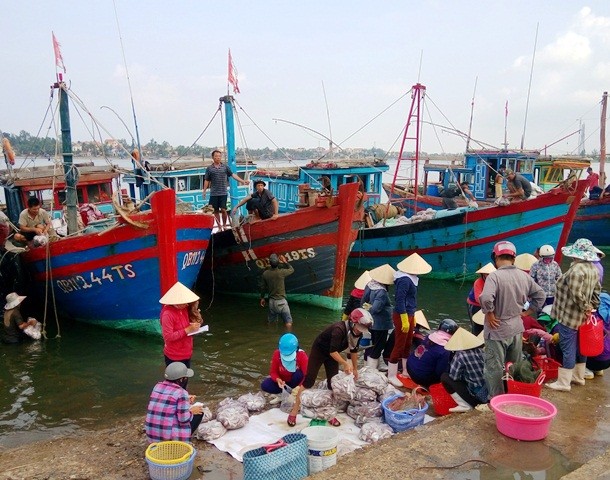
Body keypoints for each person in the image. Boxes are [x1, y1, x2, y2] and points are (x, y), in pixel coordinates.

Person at [479, 240, 545, 399]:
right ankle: (514, 394)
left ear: (495, 257)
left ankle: (497, 399)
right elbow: (540, 295)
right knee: (514, 366)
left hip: (497, 330)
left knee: (494, 368)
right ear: (513, 259)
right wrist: (527, 312)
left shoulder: (494, 276)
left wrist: (489, 313)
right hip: (516, 328)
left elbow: (487, 297)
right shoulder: (524, 276)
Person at [287, 307, 373, 427]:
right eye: (359, 328)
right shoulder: (339, 329)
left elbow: (353, 350)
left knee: (333, 384)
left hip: (333, 353)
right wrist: (344, 363)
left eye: (363, 329)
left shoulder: (357, 334)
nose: (360, 331)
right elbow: (333, 352)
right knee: (309, 381)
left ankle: (330, 414)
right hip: (320, 350)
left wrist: (355, 368)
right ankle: (294, 411)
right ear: (353, 322)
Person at [547, 238, 601, 392]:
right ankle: (578, 377)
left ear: (576, 254)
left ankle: (564, 382)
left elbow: (576, 294)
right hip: (583, 317)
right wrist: (592, 307)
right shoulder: (593, 269)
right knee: (580, 346)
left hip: (570, 315)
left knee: (567, 347)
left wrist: (585, 307)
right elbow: (596, 292)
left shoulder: (577, 270)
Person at [388, 252, 432, 388]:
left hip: (410, 313)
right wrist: (404, 318)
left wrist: (411, 318)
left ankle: (405, 370)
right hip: (403, 314)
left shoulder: (412, 278)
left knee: (407, 343)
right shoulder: (404, 280)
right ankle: (391, 375)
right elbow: (399, 300)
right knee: (399, 344)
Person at [145, 362, 204, 443]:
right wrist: (191, 411)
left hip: (152, 438)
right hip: (169, 441)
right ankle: (183, 441)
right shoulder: (181, 393)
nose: (186, 379)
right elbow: (183, 420)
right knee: (199, 413)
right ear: (180, 379)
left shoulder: (157, 387)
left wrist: (185, 399)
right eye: (185, 377)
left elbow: (167, 403)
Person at [159, 282, 201, 379]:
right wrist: (187, 330)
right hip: (175, 355)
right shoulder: (168, 314)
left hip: (186, 352)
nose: (187, 304)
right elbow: (168, 337)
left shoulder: (184, 309)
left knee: (184, 379)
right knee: (176, 381)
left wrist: (193, 326)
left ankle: (183, 393)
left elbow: (184, 326)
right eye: (184, 302)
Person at [441, 328, 487, 412]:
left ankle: (465, 405)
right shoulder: (481, 351)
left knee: (445, 377)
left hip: (478, 396)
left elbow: (454, 377)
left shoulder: (460, 355)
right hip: (489, 391)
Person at [201, 149, 249, 231]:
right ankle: (219, 227)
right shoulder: (209, 168)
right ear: (213, 157)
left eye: (219, 156)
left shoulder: (225, 167)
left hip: (223, 192)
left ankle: (224, 225)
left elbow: (233, 175)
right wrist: (204, 190)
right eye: (216, 156)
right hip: (214, 193)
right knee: (215, 211)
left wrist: (242, 181)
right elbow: (206, 180)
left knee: (223, 209)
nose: (218, 158)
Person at [361, 264, 395, 371]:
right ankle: (371, 370)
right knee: (378, 346)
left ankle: (366, 367)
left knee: (370, 345)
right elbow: (376, 308)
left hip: (371, 322)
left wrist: (367, 310)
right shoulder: (382, 292)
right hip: (380, 324)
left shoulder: (370, 285)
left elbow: (363, 302)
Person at [406, 318, 458, 388]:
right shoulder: (445, 350)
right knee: (446, 374)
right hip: (420, 377)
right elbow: (440, 372)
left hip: (409, 366)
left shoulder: (429, 337)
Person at [260, 333, 308, 400]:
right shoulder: (277, 354)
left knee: (298, 374)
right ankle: (283, 395)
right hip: (284, 383)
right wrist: (278, 380)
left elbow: (308, 376)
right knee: (265, 385)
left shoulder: (302, 355)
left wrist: (299, 387)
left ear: (296, 349)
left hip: (295, 381)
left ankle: (295, 394)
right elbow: (273, 372)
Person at [260, 254, 295, 329]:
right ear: (278, 263)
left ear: (270, 263)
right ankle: (288, 336)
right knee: (288, 322)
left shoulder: (265, 274)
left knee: (271, 323)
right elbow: (291, 269)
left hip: (272, 302)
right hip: (281, 302)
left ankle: (270, 336)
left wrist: (262, 298)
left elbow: (263, 287)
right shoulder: (281, 272)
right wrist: (285, 261)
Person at [466, 262, 496, 334]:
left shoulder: (496, 282)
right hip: (475, 305)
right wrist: (490, 306)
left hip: (488, 305)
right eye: (487, 274)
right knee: (477, 326)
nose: (489, 276)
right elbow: (478, 298)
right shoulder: (478, 282)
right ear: (483, 274)